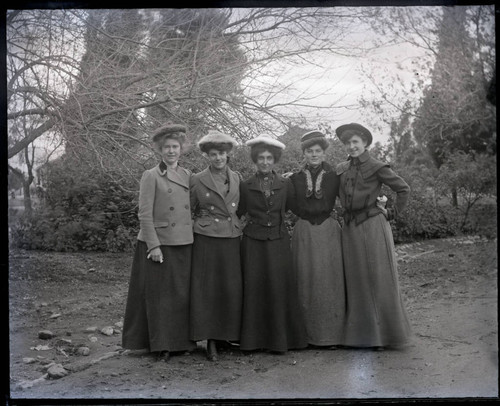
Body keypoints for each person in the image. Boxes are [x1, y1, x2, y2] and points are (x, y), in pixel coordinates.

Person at [122, 123, 196, 361]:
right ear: (159, 150)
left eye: (175, 147)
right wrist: (153, 246)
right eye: (167, 147)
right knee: (160, 297)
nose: (171, 151)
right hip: (159, 244)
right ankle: (162, 345)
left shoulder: (188, 176)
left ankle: (181, 343)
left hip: (183, 243)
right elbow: (144, 214)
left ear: (181, 149)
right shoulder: (151, 176)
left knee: (181, 295)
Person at [335, 123, 411, 350]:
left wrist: (392, 213)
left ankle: (382, 337)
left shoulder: (377, 166)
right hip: (350, 229)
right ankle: (362, 335)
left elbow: (403, 189)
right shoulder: (342, 168)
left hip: (372, 226)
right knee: (356, 279)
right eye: (348, 143)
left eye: (355, 142)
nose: (351, 146)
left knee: (375, 278)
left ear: (365, 143)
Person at [237, 134, 307, 353]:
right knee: (255, 289)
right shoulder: (245, 185)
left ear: (275, 160)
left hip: (278, 241)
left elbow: (295, 208)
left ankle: (280, 341)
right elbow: (238, 212)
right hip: (253, 243)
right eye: (261, 158)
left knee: (279, 288)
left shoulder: (286, 184)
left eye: (269, 158)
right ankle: (253, 341)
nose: (265, 162)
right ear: (255, 160)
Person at [288, 130, 345, 348]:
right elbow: (289, 203)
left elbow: (350, 195)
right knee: (305, 279)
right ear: (304, 154)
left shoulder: (335, 177)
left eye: (318, 151)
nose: (313, 155)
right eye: (309, 151)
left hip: (328, 231)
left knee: (329, 280)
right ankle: (307, 337)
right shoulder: (294, 179)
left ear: (324, 153)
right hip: (304, 231)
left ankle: (332, 336)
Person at [189, 130, 243, 361]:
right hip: (207, 238)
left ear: (228, 154)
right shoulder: (197, 179)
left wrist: (242, 224)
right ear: (207, 156)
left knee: (229, 288)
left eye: (222, 153)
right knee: (208, 288)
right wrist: (200, 225)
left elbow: (243, 208)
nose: (218, 158)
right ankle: (210, 339)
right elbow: (188, 210)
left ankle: (226, 336)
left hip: (231, 238)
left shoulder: (237, 177)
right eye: (213, 154)